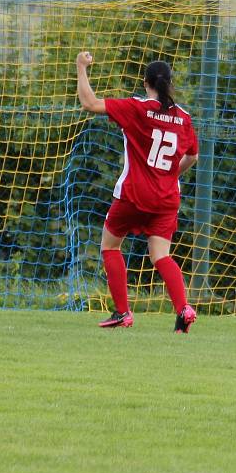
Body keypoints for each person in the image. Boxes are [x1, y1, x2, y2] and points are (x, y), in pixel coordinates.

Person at [76, 51, 200, 333]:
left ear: (146, 83)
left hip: (134, 195)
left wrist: (81, 67)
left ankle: (122, 312)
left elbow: (89, 103)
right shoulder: (184, 118)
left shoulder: (138, 108)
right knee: (161, 256)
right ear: (170, 83)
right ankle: (183, 308)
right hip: (167, 199)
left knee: (110, 245)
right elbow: (193, 157)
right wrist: (169, 176)